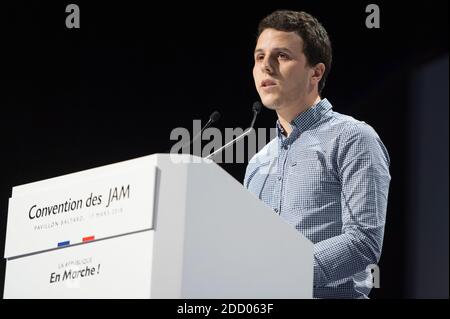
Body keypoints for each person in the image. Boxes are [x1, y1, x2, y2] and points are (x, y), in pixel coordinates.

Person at [244, 10, 391, 299]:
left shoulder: (353, 138)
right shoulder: (257, 163)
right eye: (260, 57)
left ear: (316, 71)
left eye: (282, 56)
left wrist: (283, 271)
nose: (266, 67)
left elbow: (363, 240)